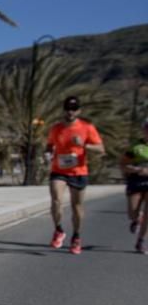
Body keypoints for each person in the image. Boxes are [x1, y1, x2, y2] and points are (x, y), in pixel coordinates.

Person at [44, 96, 105, 254]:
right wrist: (48, 153)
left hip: (79, 171)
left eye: (74, 109)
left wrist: (83, 145)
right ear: (63, 110)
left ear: (79, 110)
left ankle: (76, 237)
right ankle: (58, 230)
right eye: (68, 109)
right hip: (59, 170)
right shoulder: (56, 128)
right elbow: (49, 145)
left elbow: (101, 150)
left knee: (76, 207)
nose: (70, 112)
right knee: (56, 199)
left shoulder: (87, 127)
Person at [121, 118, 148, 253]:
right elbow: (123, 164)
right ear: (144, 130)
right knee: (132, 213)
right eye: (147, 128)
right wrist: (137, 170)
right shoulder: (135, 147)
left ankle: (141, 241)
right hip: (136, 181)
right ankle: (137, 218)